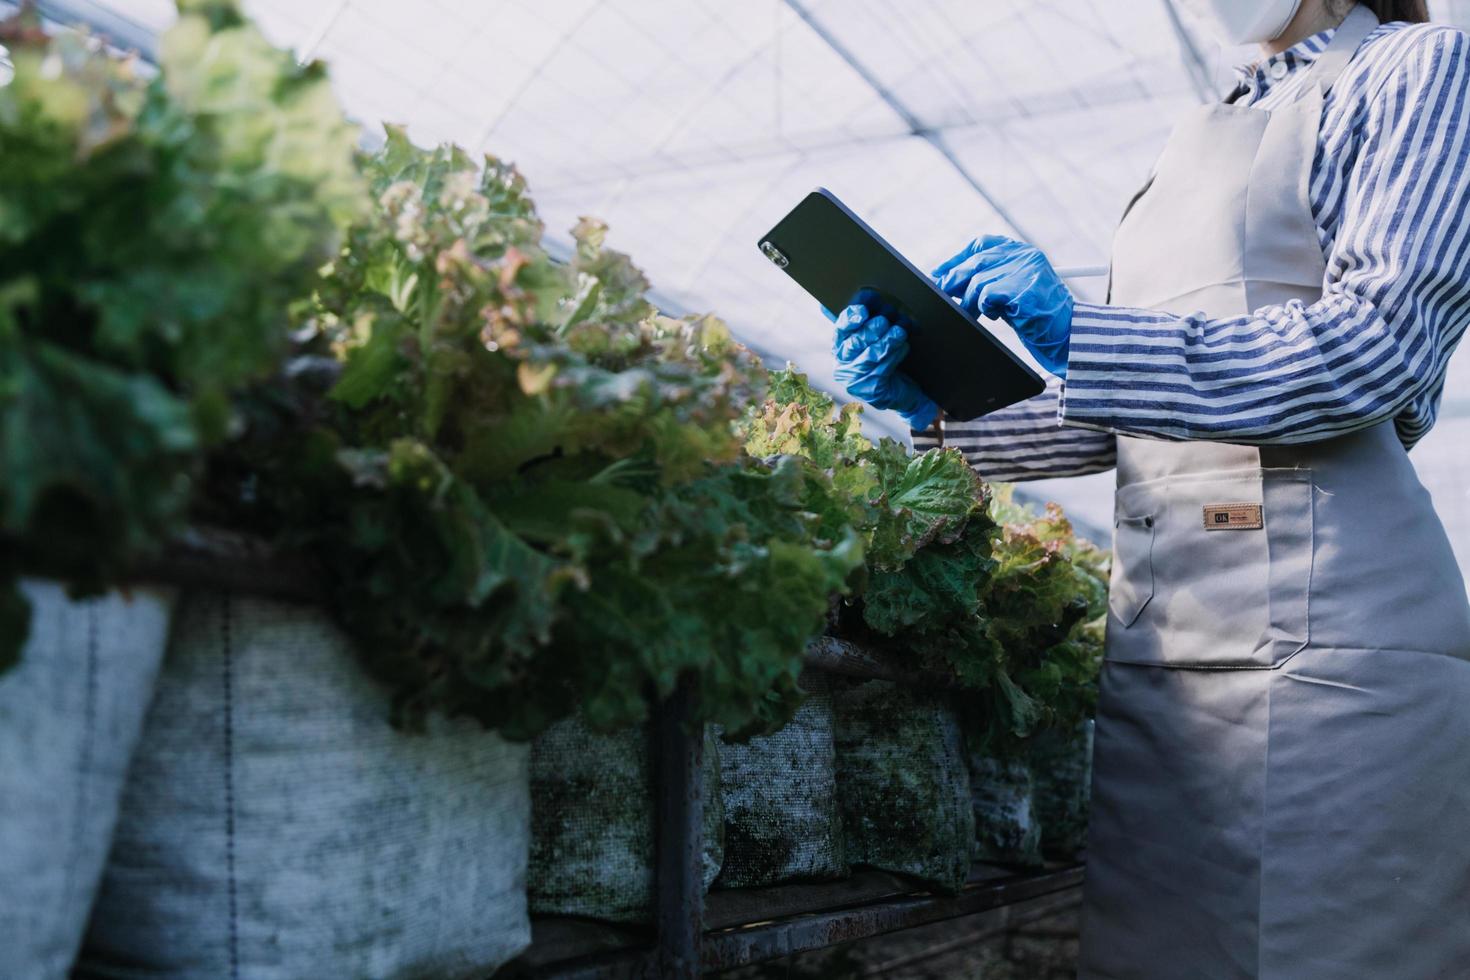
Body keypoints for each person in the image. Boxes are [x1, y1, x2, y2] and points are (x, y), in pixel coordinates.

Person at [832, 0, 1470, 975]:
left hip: (1329, 656)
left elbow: (1374, 347)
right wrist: (942, 408)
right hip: (1167, 657)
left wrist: (1088, 335)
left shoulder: (1415, 68)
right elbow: (1128, 402)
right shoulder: (1200, 128)